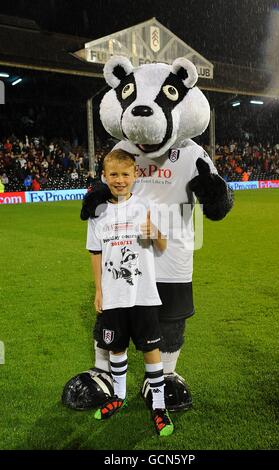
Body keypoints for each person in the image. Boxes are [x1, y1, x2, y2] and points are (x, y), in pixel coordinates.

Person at [87, 149, 174, 437]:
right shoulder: (98, 213)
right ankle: (119, 396)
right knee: (116, 347)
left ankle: (159, 406)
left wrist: (156, 234)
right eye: (114, 174)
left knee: (151, 349)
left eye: (125, 174)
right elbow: (96, 253)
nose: (120, 180)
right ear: (104, 176)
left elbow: (162, 247)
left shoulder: (145, 206)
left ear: (135, 175)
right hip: (113, 295)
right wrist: (99, 290)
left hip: (144, 294)